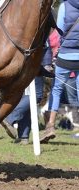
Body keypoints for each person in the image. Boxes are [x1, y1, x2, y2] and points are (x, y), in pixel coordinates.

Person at [40, 0, 79, 143]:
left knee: (56, 90)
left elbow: (61, 29)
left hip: (66, 55)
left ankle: (50, 126)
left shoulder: (65, 6)